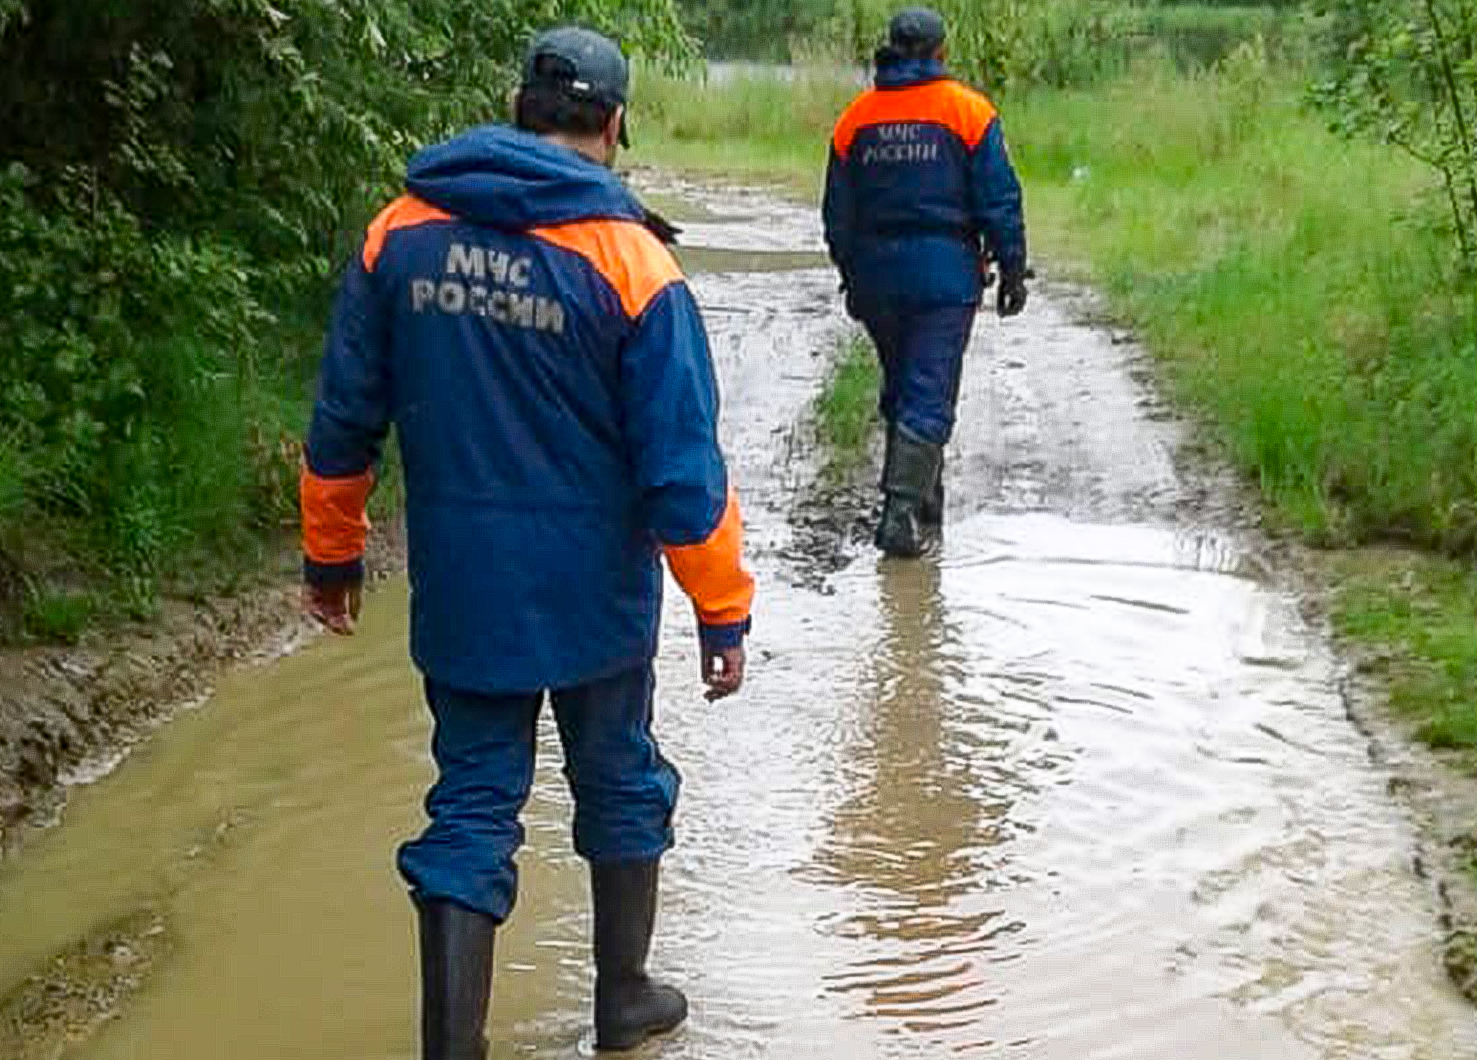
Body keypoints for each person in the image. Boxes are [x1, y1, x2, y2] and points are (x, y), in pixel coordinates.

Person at [298, 26, 753, 1060]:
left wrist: (331, 557)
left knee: (470, 807)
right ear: (615, 122)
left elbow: (342, 421)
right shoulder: (632, 259)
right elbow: (683, 470)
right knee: (620, 779)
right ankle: (624, 998)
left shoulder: (398, 233)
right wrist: (721, 608)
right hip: (595, 598)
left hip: (463, 591)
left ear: (515, 107)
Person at [821, 6, 1029, 557]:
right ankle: (900, 515)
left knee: (903, 384)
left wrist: (852, 274)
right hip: (945, 278)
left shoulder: (855, 119)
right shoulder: (969, 112)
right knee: (929, 389)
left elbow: (836, 216)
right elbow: (999, 200)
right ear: (940, 53)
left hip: (876, 279)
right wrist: (1012, 270)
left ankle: (925, 500)